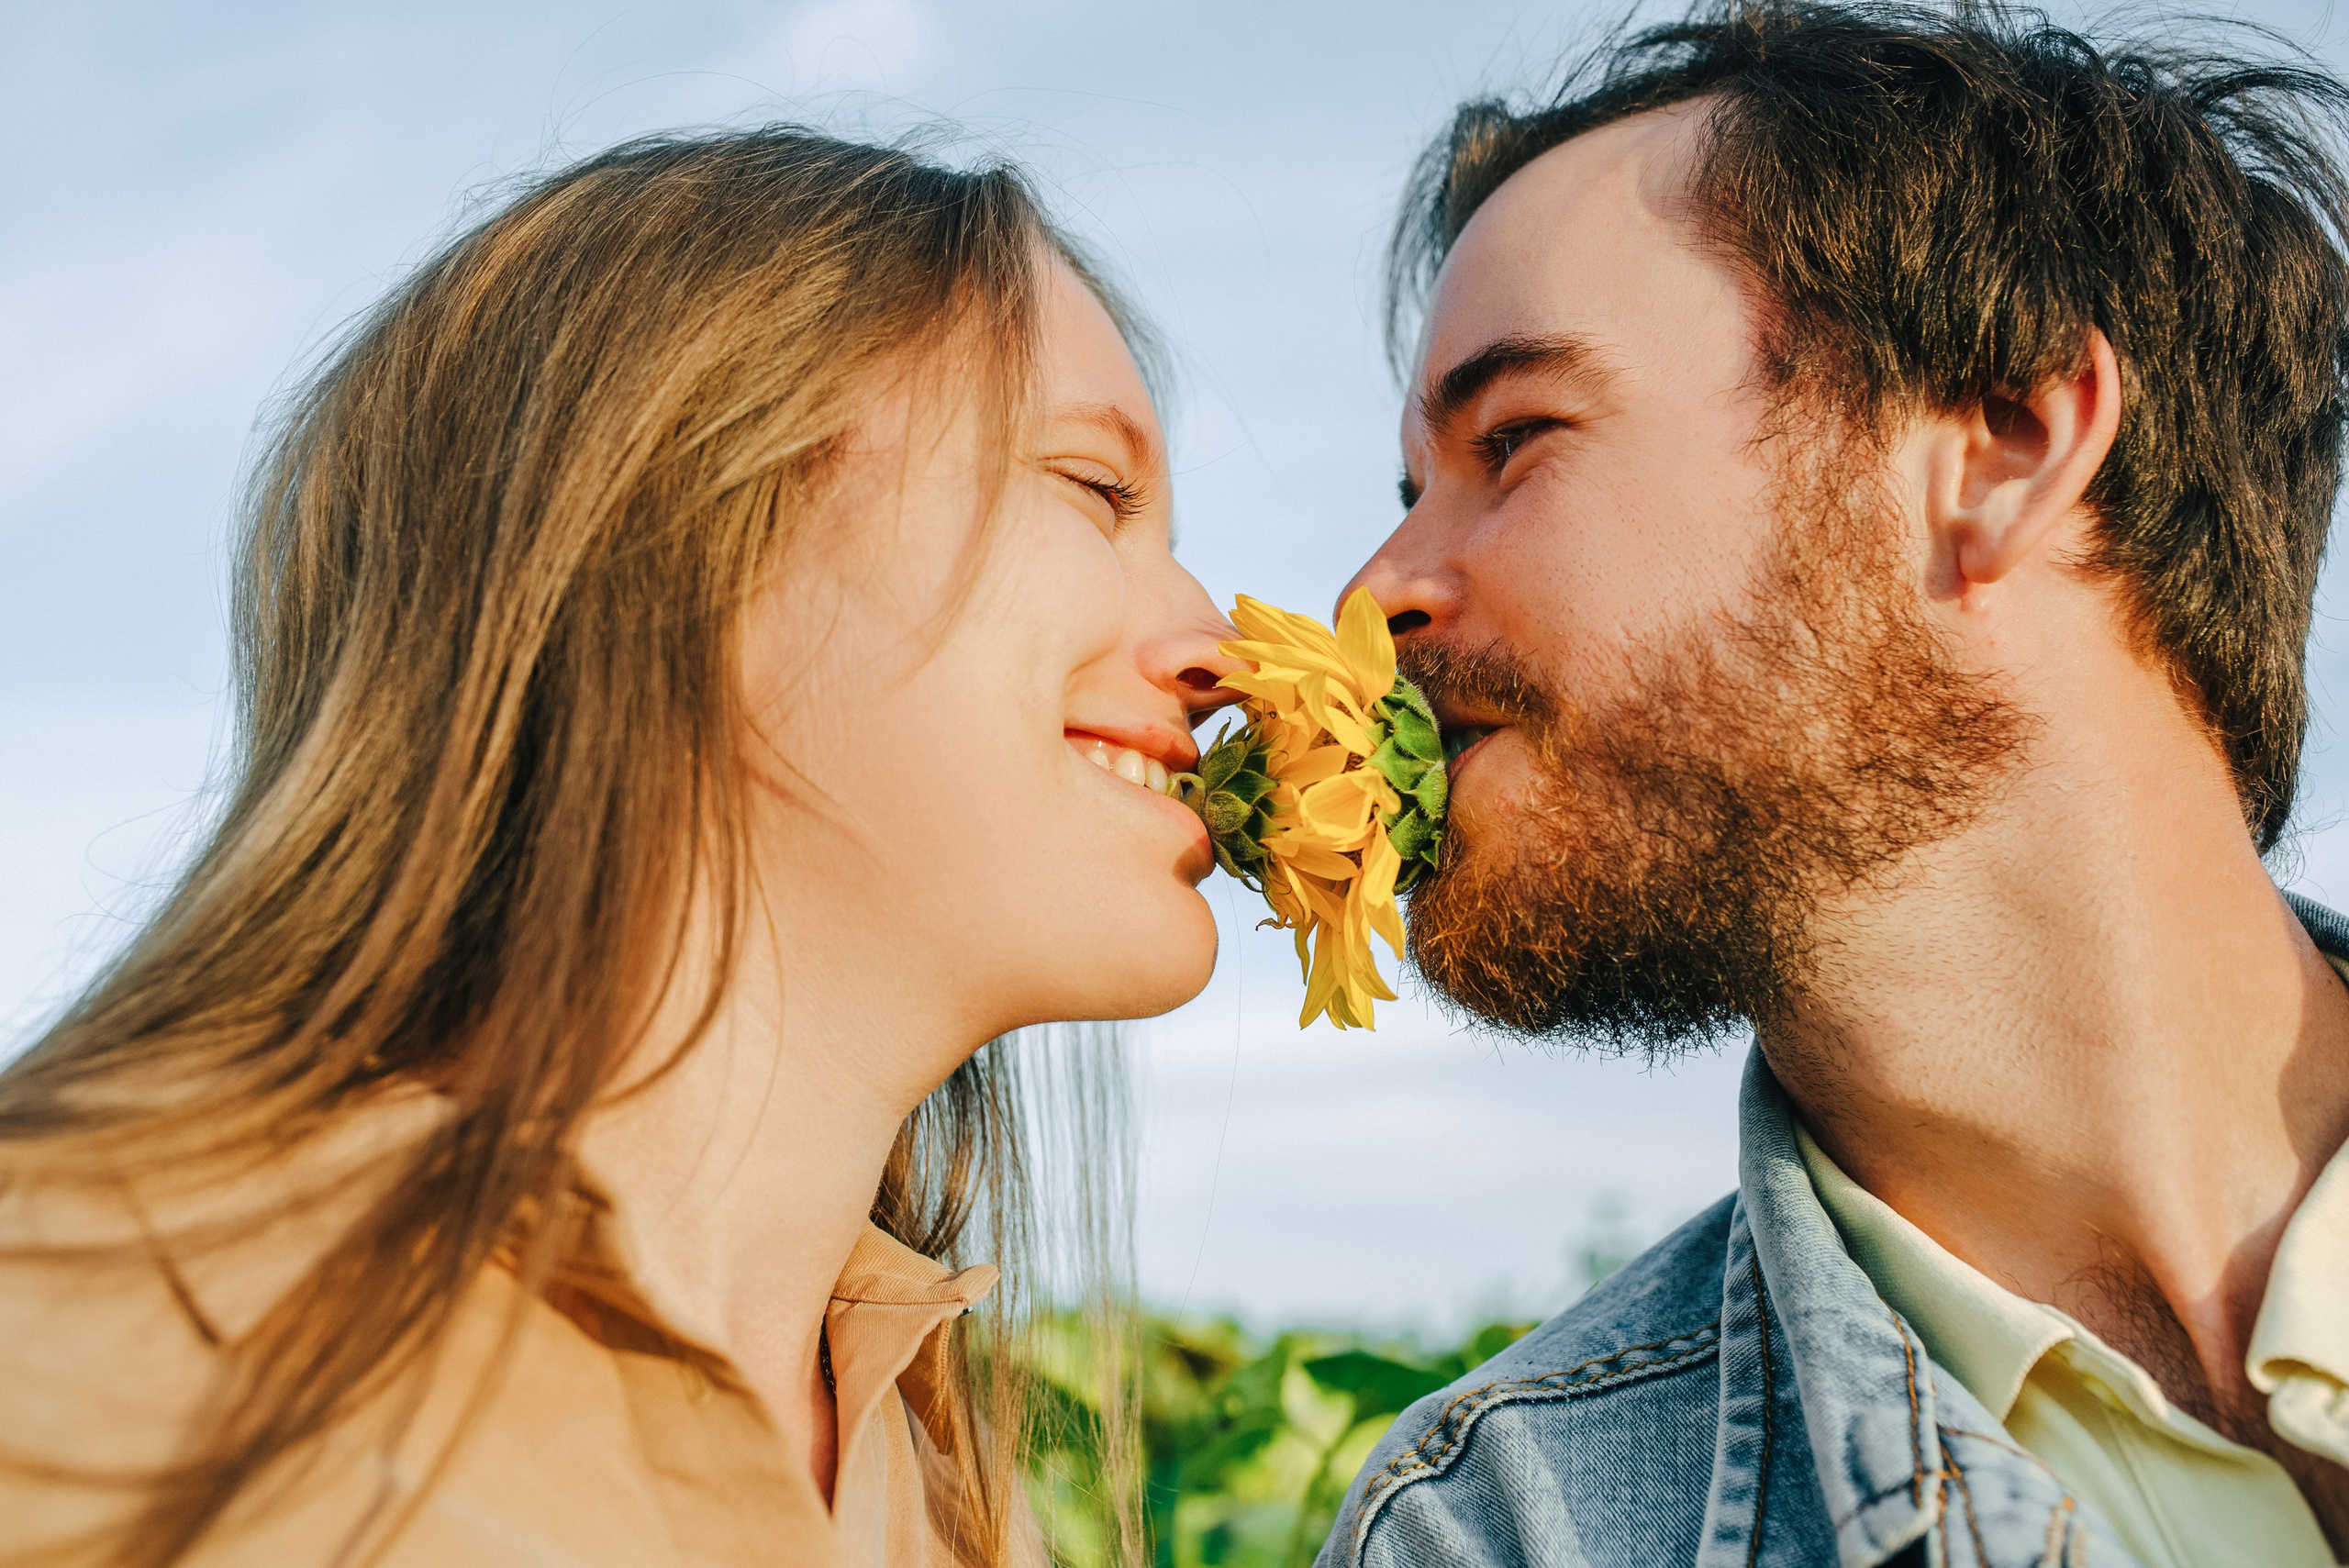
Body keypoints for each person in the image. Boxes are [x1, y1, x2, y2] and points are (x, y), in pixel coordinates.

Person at [0, 128, 1240, 1568]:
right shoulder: (73, 1339)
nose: (1217, 645)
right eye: (1094, 489)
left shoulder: (957, 1501)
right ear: (688, 519)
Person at [1321, 6, 2349, 1567]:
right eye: (1411, 490)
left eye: (1514, 438)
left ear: (2004, 444)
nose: (1373, 594)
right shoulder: (1508, 1529)